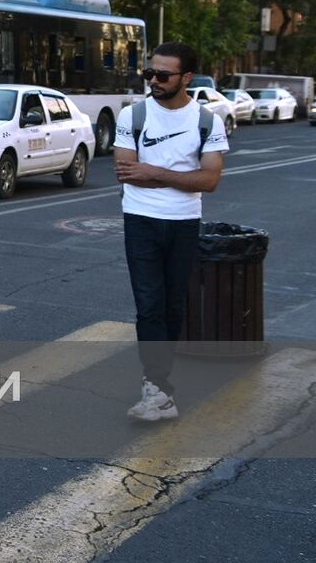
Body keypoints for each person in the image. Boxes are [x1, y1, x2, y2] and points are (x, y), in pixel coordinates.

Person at [113, 41, 227, 422]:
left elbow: (210, 180)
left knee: (173, 305)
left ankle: (160, 391)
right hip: (140, 218)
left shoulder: (207, 120)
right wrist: (181, 176)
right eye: (149, 73)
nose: (154, 80)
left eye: (163, 75)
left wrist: (155, 172)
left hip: (184, 221)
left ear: (186, 77)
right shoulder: (133, 115)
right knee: (149, 306)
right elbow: (127, 171)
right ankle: (156, 386)